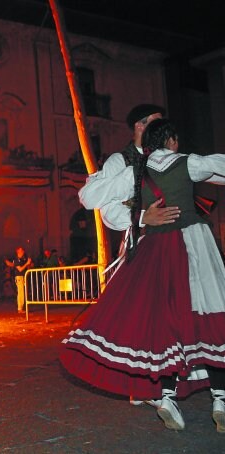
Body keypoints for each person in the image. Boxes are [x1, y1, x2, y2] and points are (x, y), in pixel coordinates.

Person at [61, 119, 225, 433]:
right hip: (193, 245)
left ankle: (164, 395)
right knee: (210, 310)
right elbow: (218, 168)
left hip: (155, 249)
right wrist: (139, 215)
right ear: (173, 140)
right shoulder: (187, 162)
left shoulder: (134, 169)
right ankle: (220, 397)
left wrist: (138, 214)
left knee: (161, 319)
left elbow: (88, 197)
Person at [79, 104, 181, 241]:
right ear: (139, 126)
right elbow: (108, 211)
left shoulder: (166, 157)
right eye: (156, 123)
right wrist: (143, 217)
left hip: (176, 234)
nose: (162, 129)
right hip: (142, 241)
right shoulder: (120, 161)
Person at [4, 246, 31, 313]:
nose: (23, 252)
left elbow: (26, 268)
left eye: (23, 250)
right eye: (21, 251)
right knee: (21, 293)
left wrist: (28, 264)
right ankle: (20, 308)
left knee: (23, 292)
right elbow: (20, 269)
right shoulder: (16, 260)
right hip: (19, 277)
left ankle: (22, 307)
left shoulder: (23, 259)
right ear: (18, 252)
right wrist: (27, 263)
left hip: (23, 277)